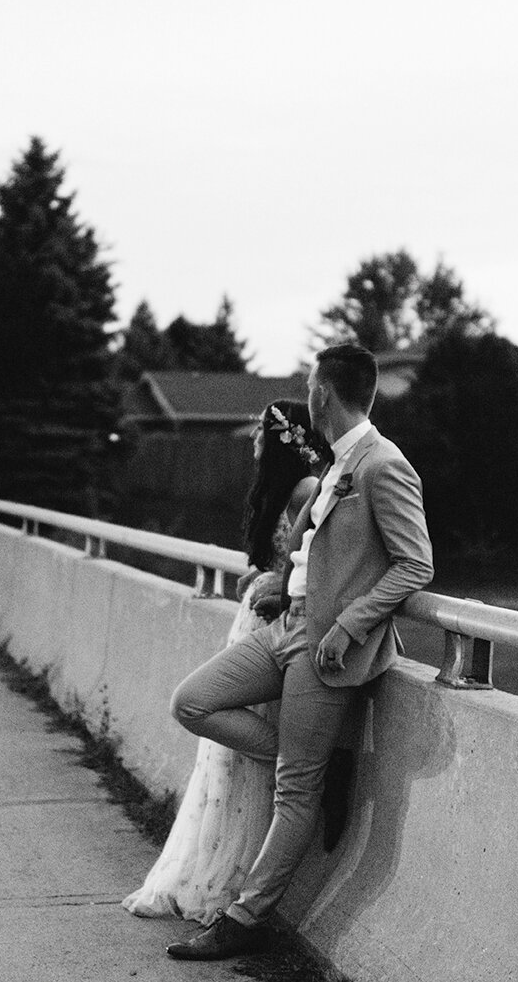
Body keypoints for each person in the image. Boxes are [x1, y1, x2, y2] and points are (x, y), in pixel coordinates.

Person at [164, 343, 433, 961]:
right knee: (194, 702)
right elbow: (307, 542)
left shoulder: (382, 464)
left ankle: (244, 919)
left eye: (311, 386)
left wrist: (348, 625)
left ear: (321, 394)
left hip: (325, 648)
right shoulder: (340, 462)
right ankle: (318, 763)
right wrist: (278, 582)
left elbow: (415, 562)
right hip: (286, 626)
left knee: (293, 794)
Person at [122, 399, 330, 925]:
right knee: (223, 759)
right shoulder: (277, 493)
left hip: (279, 632)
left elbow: (315, 571)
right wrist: (261, 577)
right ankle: (214, 872)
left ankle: (244, 871)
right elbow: (281, 564)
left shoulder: (307, 490)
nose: (254, 441)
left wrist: (278, 586)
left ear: (281, 442)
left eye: (262, 432)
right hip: (255, 624)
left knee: (232, 746)